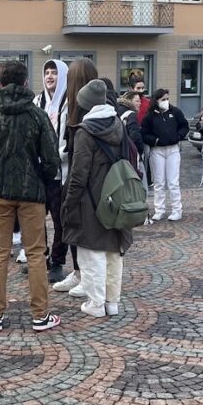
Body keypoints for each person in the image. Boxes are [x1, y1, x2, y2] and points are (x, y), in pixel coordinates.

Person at [0, 60, 61, 333]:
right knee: (35, 253)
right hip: (31, 193)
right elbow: (51, 159)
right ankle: (39, 315)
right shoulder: (37, 114)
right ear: (25, 84)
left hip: (0, 192)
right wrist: (42, 183)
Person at [62, 80, 133, 318]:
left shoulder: (85, 131)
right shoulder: (118, 124)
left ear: (85, 105)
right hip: (117, 197)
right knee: (114, 251)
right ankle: (112, 302)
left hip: (90, 201)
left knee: (91, 252)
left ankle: (95, 303)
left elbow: (78, 175)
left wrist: (68, 204)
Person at [52, 58, 99, 293]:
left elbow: (71, 145)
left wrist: (54, 153)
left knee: (79, 224)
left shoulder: (83, 107)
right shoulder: (69, 104)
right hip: (72, 173)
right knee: (71, 224)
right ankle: (80, 272)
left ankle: (87, 276)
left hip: (77, 174)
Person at [34, 59, 70, 283]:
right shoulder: (37, 101)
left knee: (60, 220)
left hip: (59, 172)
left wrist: (56, 156)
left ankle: (57, 261)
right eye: (46, 72)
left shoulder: (68, 102)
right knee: (36, 219)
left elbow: (68, 137)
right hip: (39, 172)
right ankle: (40, 258)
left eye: (54, 73)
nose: (49, 76)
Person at [140, 88, 188, 221]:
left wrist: (178, 136)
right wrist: (155, 140)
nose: (166, 101)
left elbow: (184, 126)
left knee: (173, 182)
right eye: (163, 99)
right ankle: (159, 209)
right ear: (157, 100)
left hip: (173, 149)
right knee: (159, 182)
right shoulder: (150, 116)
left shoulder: (175, 112)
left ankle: (177, 210)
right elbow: (144, 133)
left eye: (167, 99)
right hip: (157, 151)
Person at [115, 91, 145, 156]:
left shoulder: (116, 110)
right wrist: (140, 150)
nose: (140, 103)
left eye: (140, 101)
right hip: (129, 151)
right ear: (129, 101)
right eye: (137, 101)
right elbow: (135, 135)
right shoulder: (131, 114)